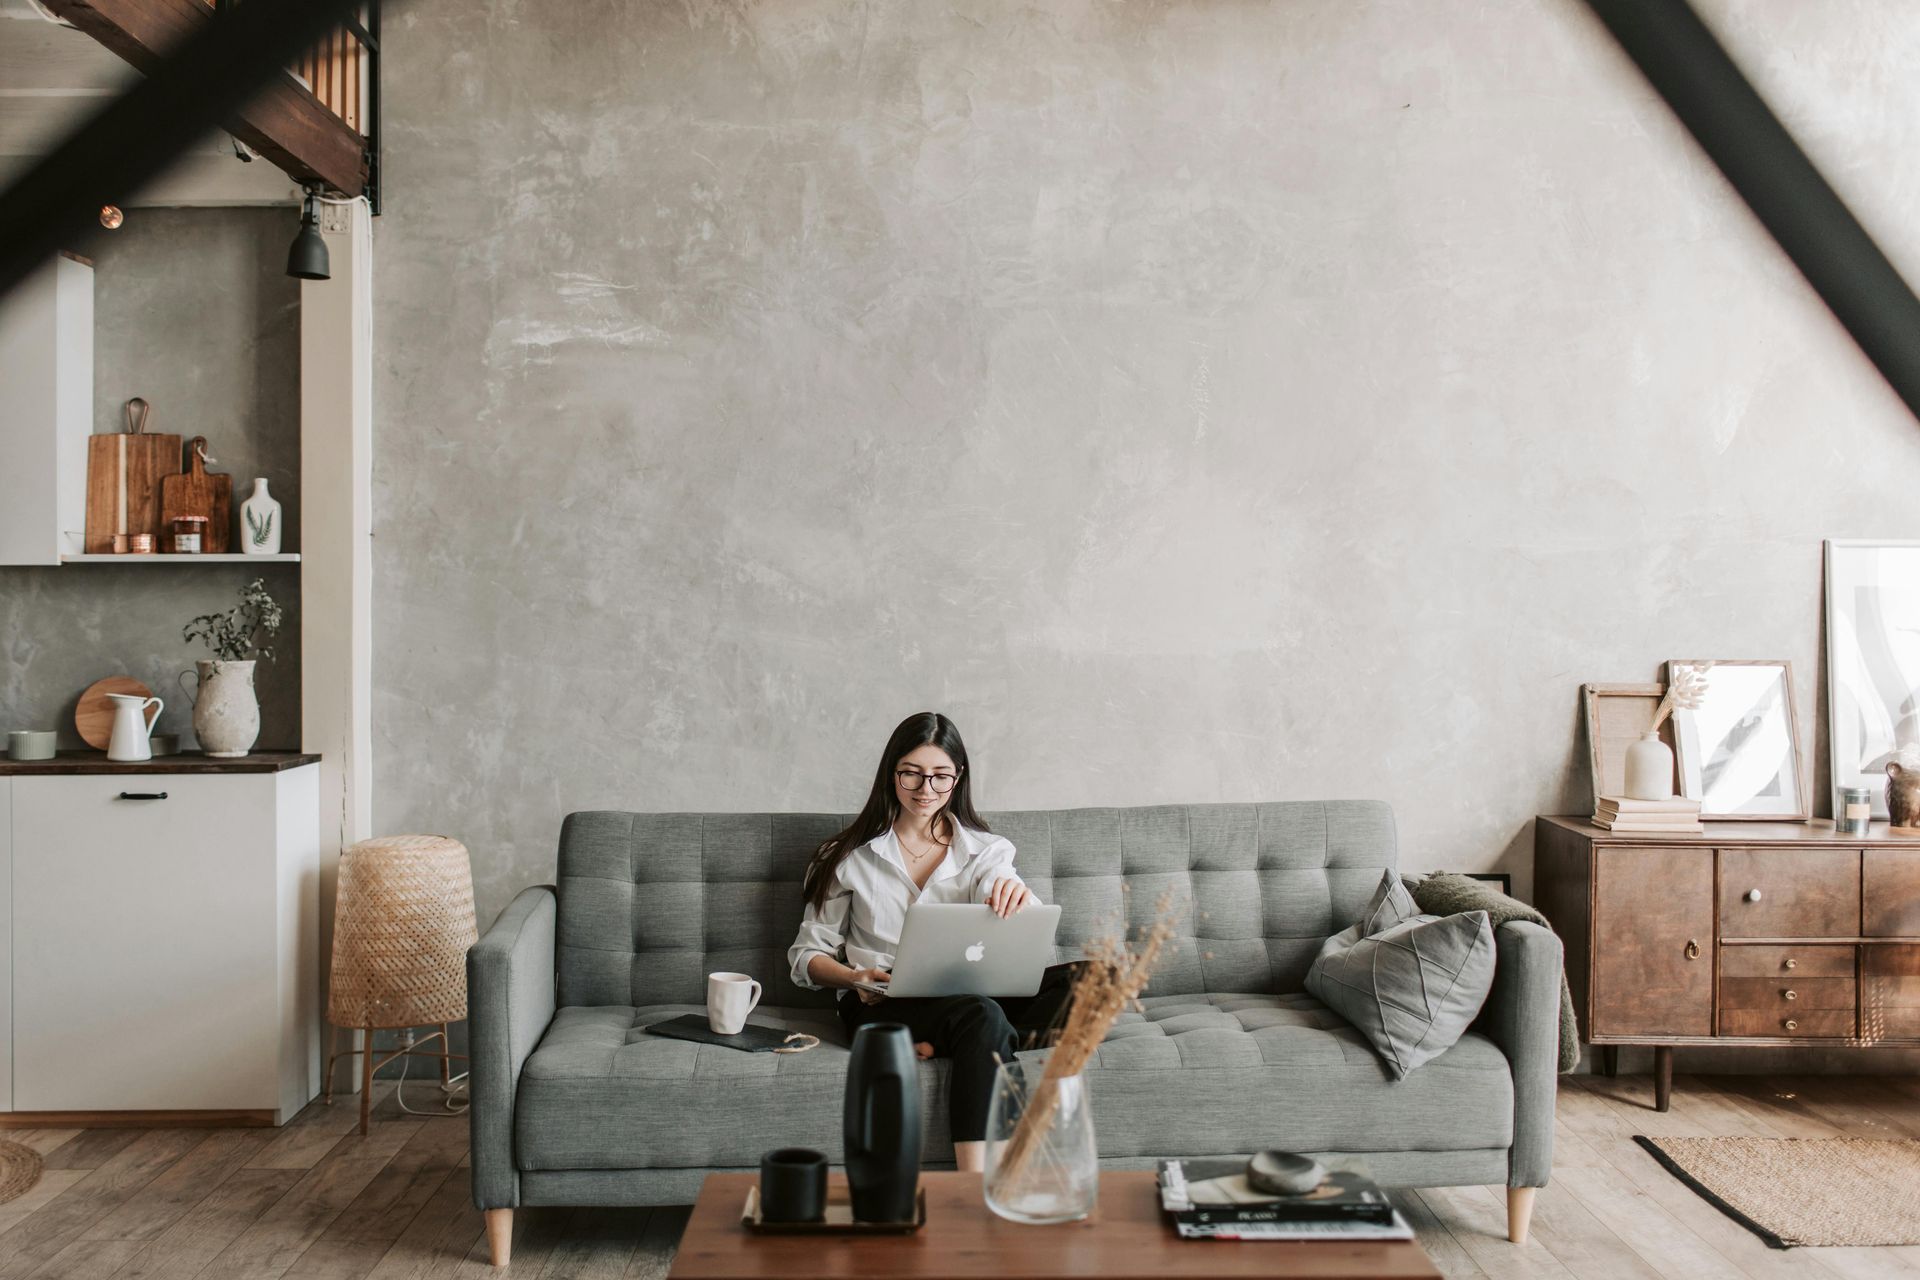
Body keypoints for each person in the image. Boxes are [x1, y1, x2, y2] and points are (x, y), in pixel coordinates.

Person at [787, 711, 1079, 1172]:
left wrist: (1014, 895)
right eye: (912, 774)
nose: (926, 789)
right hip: (882, 1001)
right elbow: (806, 957)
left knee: (1093, 982)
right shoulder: (846, 857)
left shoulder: (986, 850)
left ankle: (956, 1041)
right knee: (982, 1015)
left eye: (941, 776)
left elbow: (999, 882)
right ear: (892, 773)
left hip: (968, 995)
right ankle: (978, 1183)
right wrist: (852, 975)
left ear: (958, 777)